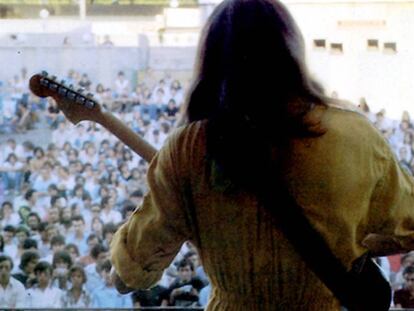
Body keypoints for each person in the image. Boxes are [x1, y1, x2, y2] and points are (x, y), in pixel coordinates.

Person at [97, 1, 414, 310]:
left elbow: (129, 275)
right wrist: (346, 241)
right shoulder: (353, 136)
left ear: (211, 59)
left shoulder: (186, 149)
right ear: (292, 54)